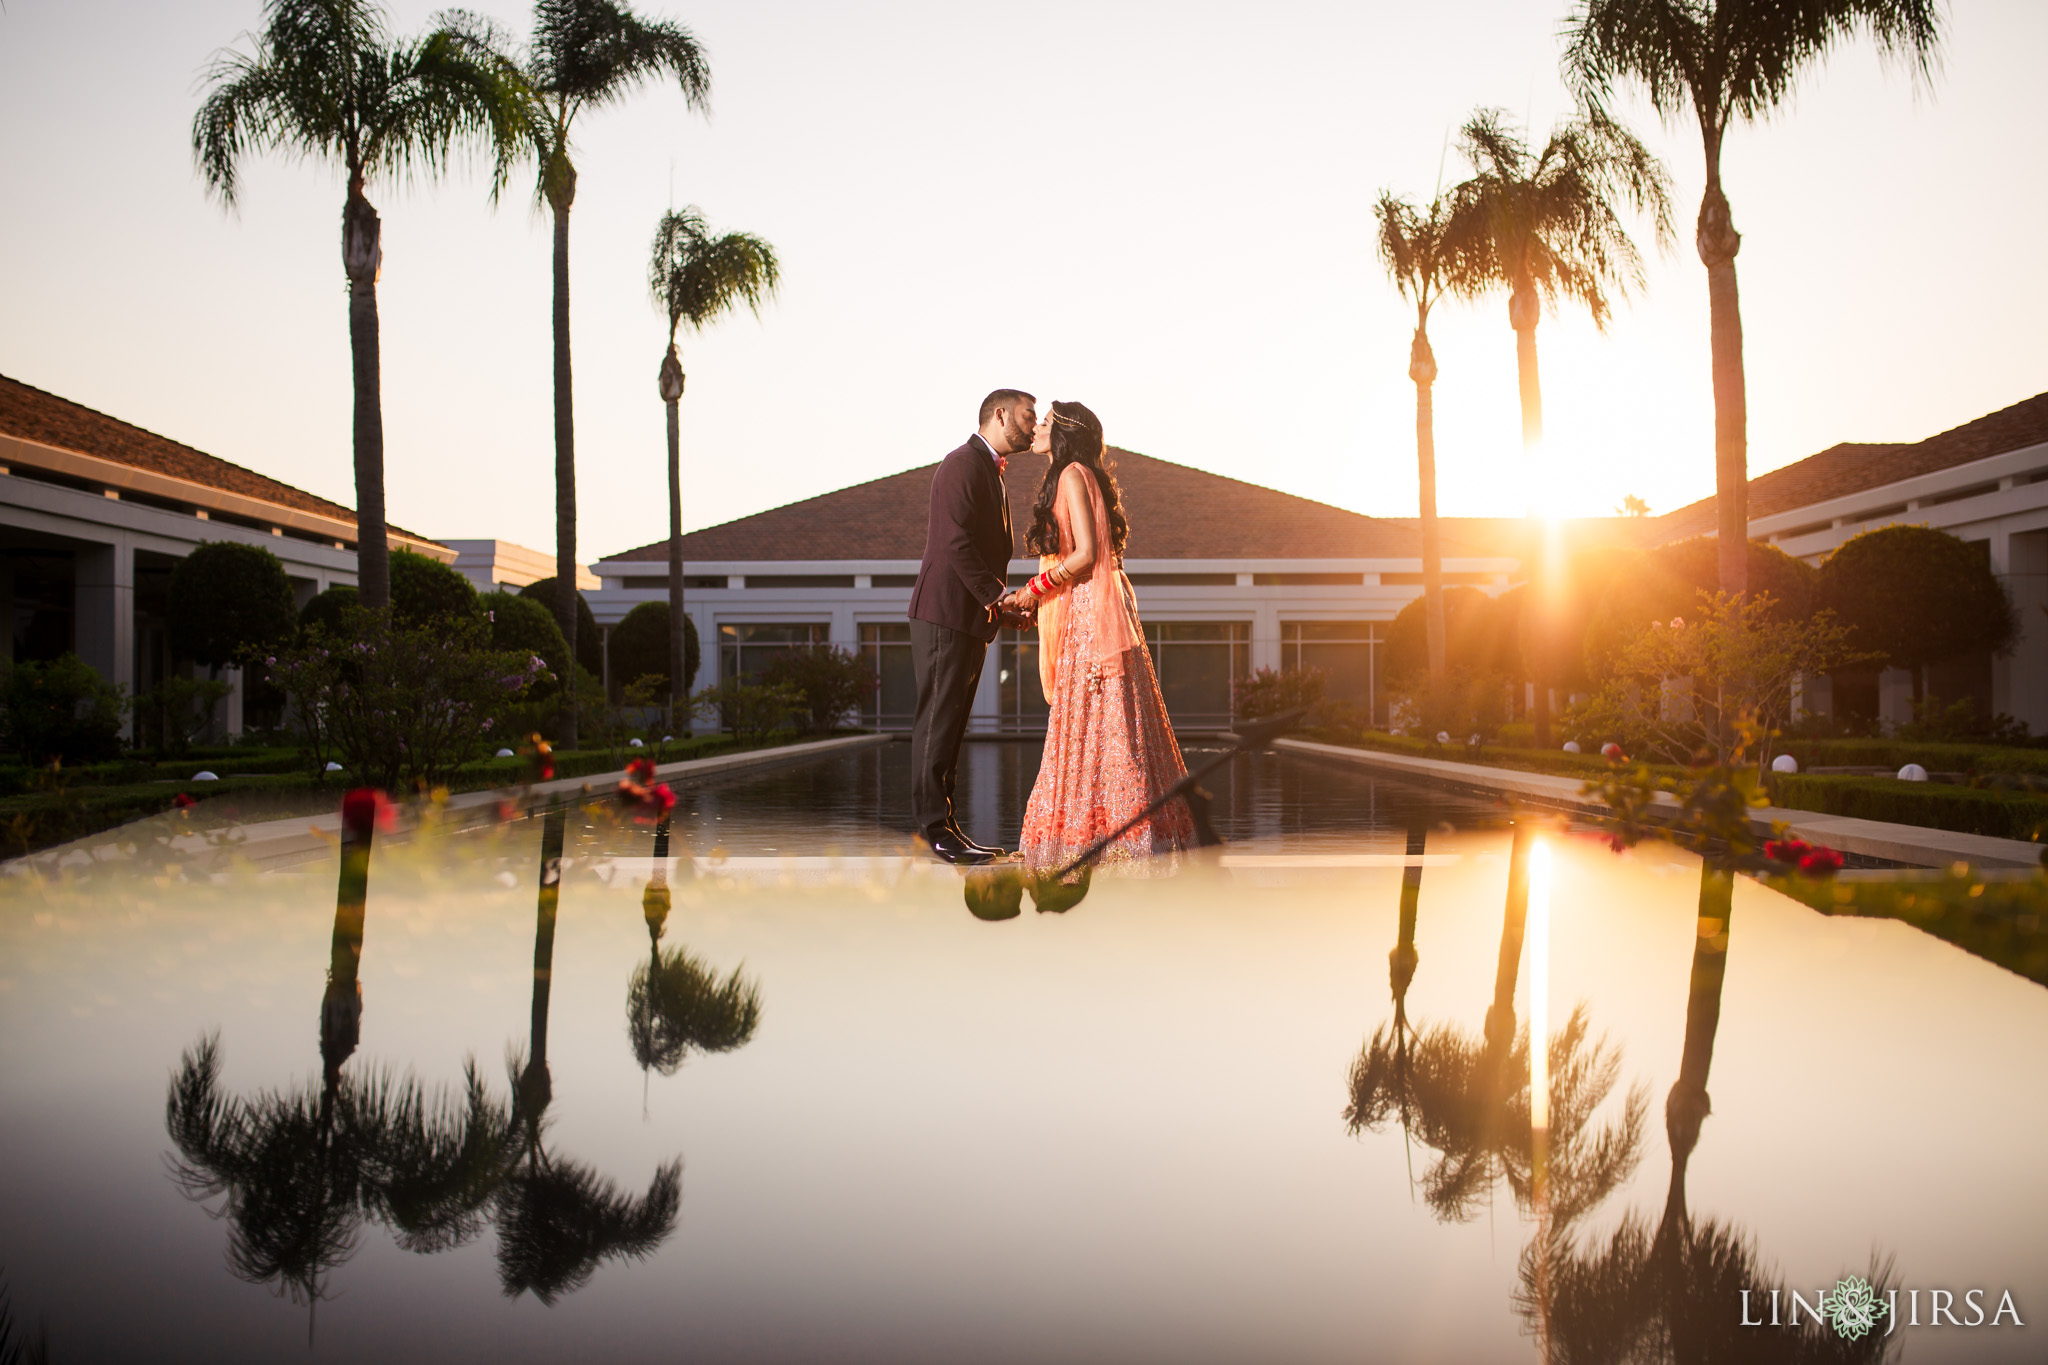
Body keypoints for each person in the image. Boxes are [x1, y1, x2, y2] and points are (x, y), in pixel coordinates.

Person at [1001, 401, 1194, 871]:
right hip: (1093, 612)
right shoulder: (1081, 475)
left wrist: (1034, 590)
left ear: (1065, 432)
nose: (1037, 428)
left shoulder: (1070, 474)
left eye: (1045, 421)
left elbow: (1085, 554)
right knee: (1110, 723)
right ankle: (1130, 838)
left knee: (1096, 722)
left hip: (1090, 618)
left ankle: (1097, 843)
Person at [907, 388, 1037, 864]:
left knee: (952, 726)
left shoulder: (992, 473)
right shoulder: (961, 464)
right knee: (937, 724)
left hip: (967, 617)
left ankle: (948, 827)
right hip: (944, 615)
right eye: (1027, 416)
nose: (1033, 425)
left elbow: (979, 552)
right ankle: (932, 833)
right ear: (999, 415)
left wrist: (999, 608)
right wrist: (998, 597)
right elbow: (955, 543)